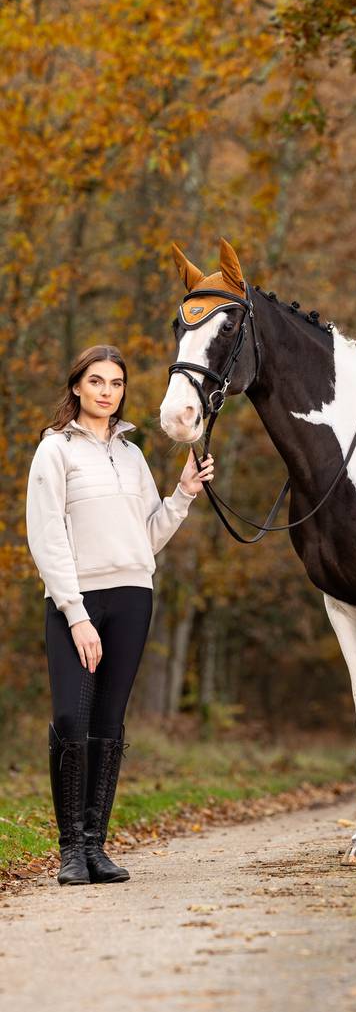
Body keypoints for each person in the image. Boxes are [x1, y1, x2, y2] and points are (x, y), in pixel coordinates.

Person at [25, 344, 214, 885]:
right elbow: (46, 537)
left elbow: (146, 536)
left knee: (108, 723)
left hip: (133, 596)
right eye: (96, 381)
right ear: (77, 386)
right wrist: (75, 613)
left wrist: (183, 494)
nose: (106, 392)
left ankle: (95, 847)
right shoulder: (54, 450)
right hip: (77, 600)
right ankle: (69, 851)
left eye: (116, 383)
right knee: (71, 719)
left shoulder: (131, 455)